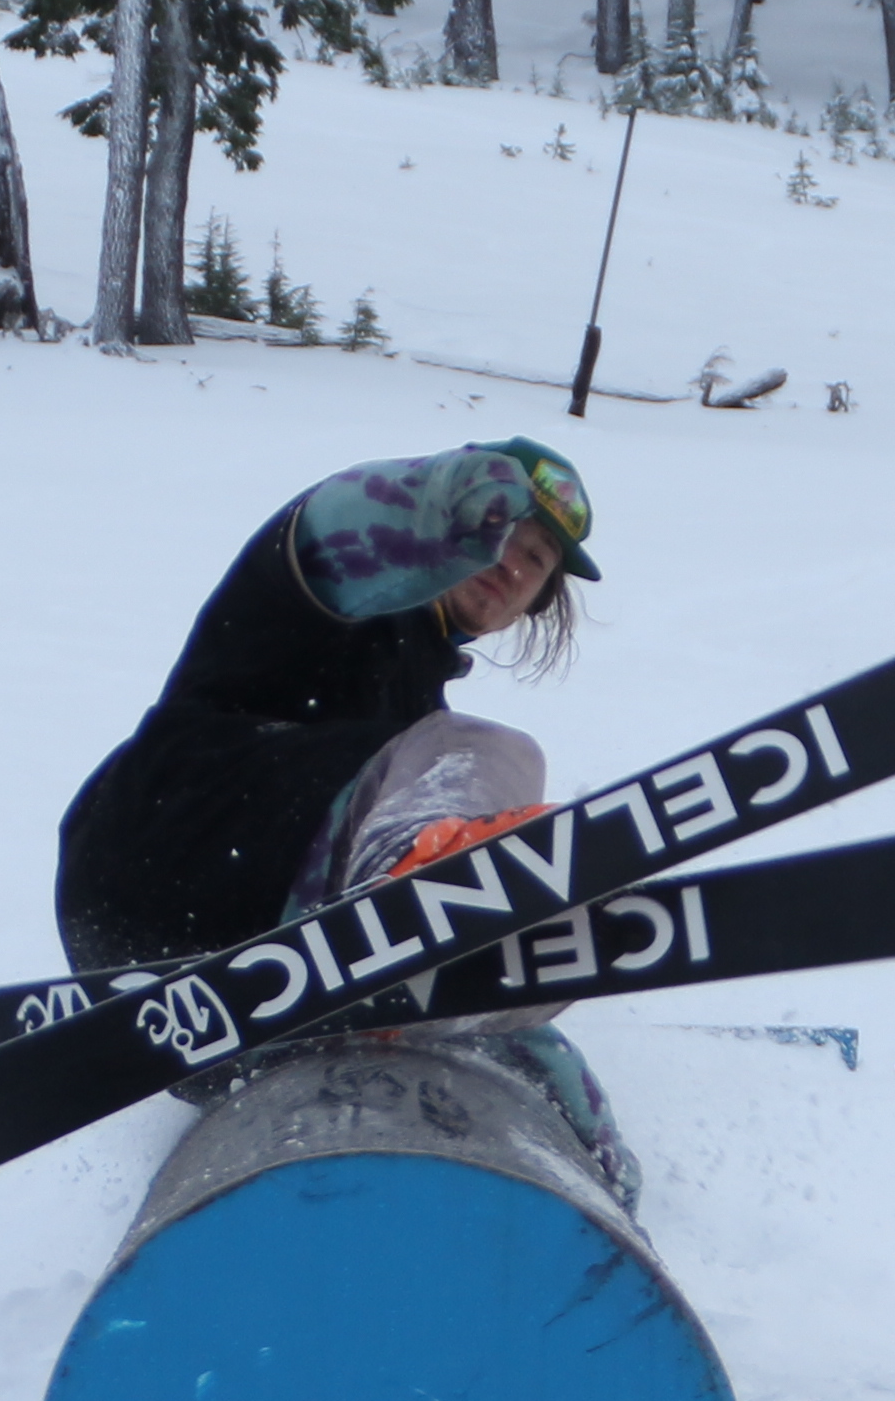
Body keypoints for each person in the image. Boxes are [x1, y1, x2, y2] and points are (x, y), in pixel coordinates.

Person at [56, 439, 634, 1197]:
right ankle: (410, 898)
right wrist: (449, 496)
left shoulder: (416, 709)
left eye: (537, 560)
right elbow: (331, 525)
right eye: (505, 531)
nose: (513, 564)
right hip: (165, 846)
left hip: (224, 1006)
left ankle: (426, 945)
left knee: (519, 965)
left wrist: (569, 1107)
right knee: (492, 755)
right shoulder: (328, 597)